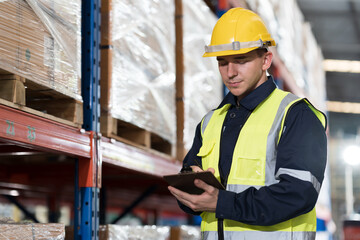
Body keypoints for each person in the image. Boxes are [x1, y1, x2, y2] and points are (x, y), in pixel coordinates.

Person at [168, 7, 327, 240]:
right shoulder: (210, 122)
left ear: (266, 60)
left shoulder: (296, 115)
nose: (230, 72)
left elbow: (298, 194)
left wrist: (222, 202)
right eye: (222, 63)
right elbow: (193, 190)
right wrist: (191, 190)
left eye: (240, 61)